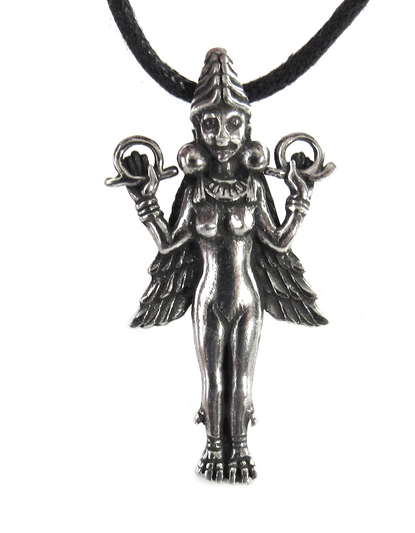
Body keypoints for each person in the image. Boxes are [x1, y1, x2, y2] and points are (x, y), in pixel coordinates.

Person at [120, 48, 327, 483]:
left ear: (247, 128)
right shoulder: (195, 190)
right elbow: (169, 244)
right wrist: (143, 197)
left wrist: (300, 197)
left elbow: (278, 242)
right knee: (212, 380)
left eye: (233, 124)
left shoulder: (253, 188)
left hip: (249, 300)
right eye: (210, 125)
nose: (222, 137)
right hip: (208, 299)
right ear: (196, 130)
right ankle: (214, 449)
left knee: (242, 381)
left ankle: (243, 450)